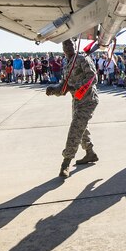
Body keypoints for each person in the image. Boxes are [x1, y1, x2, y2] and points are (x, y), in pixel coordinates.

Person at [46, 39, 99, 178]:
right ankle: (90, 153)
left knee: (76, 128)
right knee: (81, 128)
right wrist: (54, 90)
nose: (68, 47)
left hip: (88, 100)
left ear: (75, 45)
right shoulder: (66, 63)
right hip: (77, 101)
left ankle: (66, 162)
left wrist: (73, 87)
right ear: (62, 48)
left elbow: (93, 78)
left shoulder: (82, 58)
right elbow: (64, 86)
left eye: (70, 44)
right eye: (65, 45)